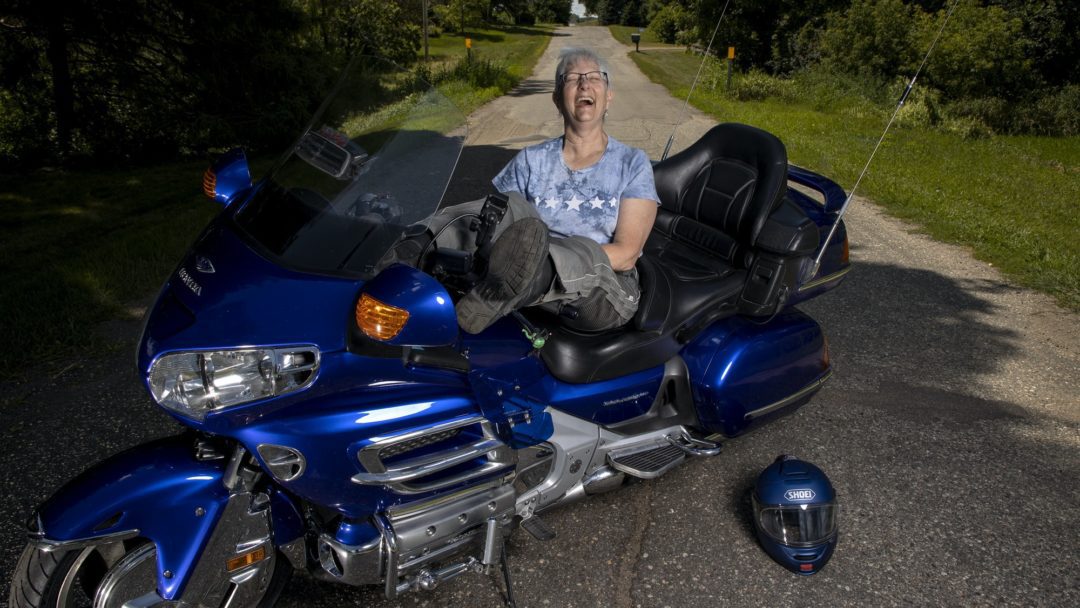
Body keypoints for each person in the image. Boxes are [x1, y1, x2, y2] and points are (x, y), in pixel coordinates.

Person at [455, 46, 660, 334]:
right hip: (527, 274)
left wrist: (543, 260)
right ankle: (418, 242)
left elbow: (627, 253)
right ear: (557, 99)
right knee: (494, 210)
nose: (584, 84)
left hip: (605, 290)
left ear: (609, 96)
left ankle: (526, 276)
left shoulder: (633, 163)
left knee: (577, 253)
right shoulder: (530, 159)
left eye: (595, 77)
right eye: (572, 78)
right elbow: (491, 222)